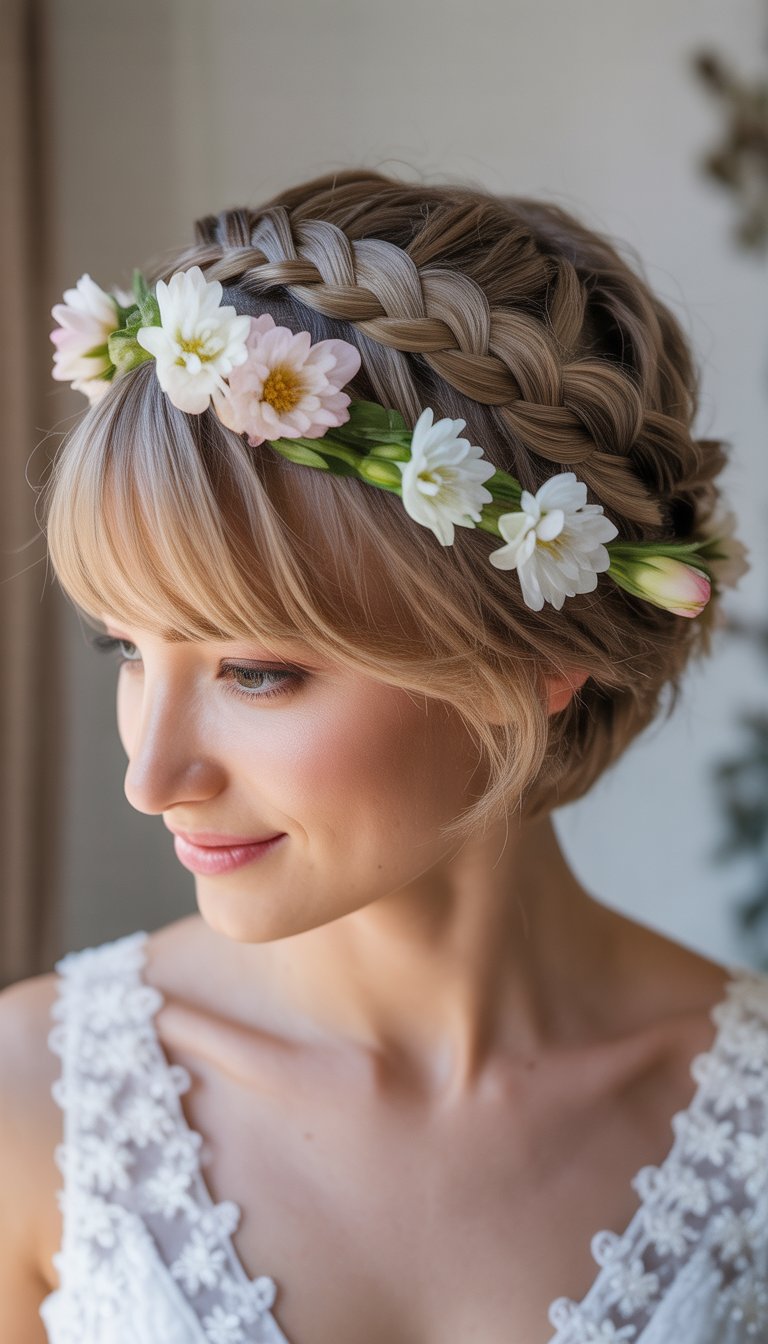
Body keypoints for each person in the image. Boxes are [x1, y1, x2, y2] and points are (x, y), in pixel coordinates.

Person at [0, 167, 763, 1344]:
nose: (150, 779)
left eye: (256, 672)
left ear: (535, 660)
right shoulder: (31, 1105)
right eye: (127, 648)